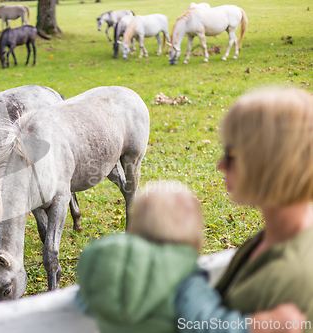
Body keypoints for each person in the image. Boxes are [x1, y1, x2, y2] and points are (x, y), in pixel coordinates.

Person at [76, 181, 304, 333]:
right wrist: (263, 325)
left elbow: (84, 302)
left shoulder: (98, 264)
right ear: (193, 234)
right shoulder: (182, 277)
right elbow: (208, 323)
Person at [177, 87, 313, 333]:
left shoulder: (287, 277)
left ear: (269, 160)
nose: (220, 165)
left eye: (230, 154)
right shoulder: (281, 233)